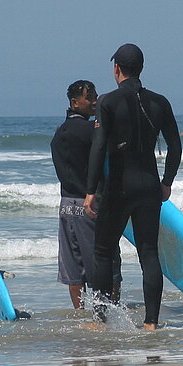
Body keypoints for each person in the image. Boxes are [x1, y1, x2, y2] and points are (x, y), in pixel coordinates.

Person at [84, 44, 182, 330]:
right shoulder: (160, 102)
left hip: (118, 187)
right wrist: (167, 182)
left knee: (103, 251)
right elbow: (175, 146)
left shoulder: (108, 101)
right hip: (149, 185)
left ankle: (100, 320)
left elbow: (99, 147)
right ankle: (151, 322)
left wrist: (91, 190)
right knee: (149, 252)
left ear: (117, 69)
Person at [51, 80, 121, 309]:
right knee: (107, 263)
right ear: (74, 102)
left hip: (66, 205)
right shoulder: (92, 132)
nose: (94, 100)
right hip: (90, 205)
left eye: (95, 95)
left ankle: (80, 314)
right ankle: (108, 313)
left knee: (74, 269)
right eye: (89, 97)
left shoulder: (58, 133)